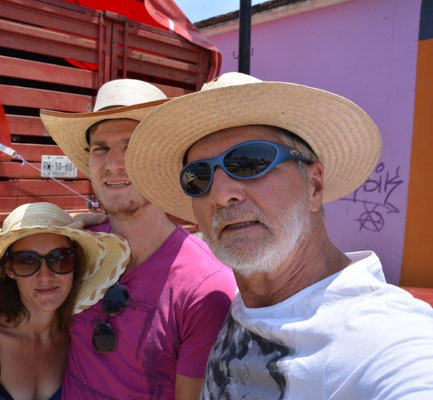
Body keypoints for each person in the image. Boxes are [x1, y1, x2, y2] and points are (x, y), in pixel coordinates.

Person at [125, 72, 433, 399]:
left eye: (249, 162)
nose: (220, 194)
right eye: (198, 177)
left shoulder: (387, 341)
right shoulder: (247, 307)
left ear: (314, 186)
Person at [40, 79, 237, 399]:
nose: (114, 164)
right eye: (100, 148)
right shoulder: (77, 250)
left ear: (163, 160)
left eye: (131, 145)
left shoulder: (205, 288)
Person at [0, 202, 130, 400]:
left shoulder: (78, 336)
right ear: (9, 269)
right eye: (27, 261)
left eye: (60, 258)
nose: (45, 277)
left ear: (76, 263)